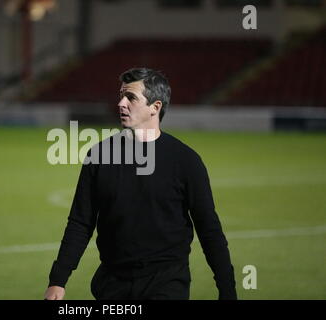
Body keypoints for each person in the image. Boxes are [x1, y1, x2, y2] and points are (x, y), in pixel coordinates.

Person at [44, 67, 237, 300]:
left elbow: (209, 230)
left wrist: (227, 291)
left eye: (131, 97)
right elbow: (80, 222)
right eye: (121, 96)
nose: (121, 103)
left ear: (155, 107)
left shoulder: (186, 161)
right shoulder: (99, 155)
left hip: (166, 284)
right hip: (112, 285)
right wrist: (58, 280)